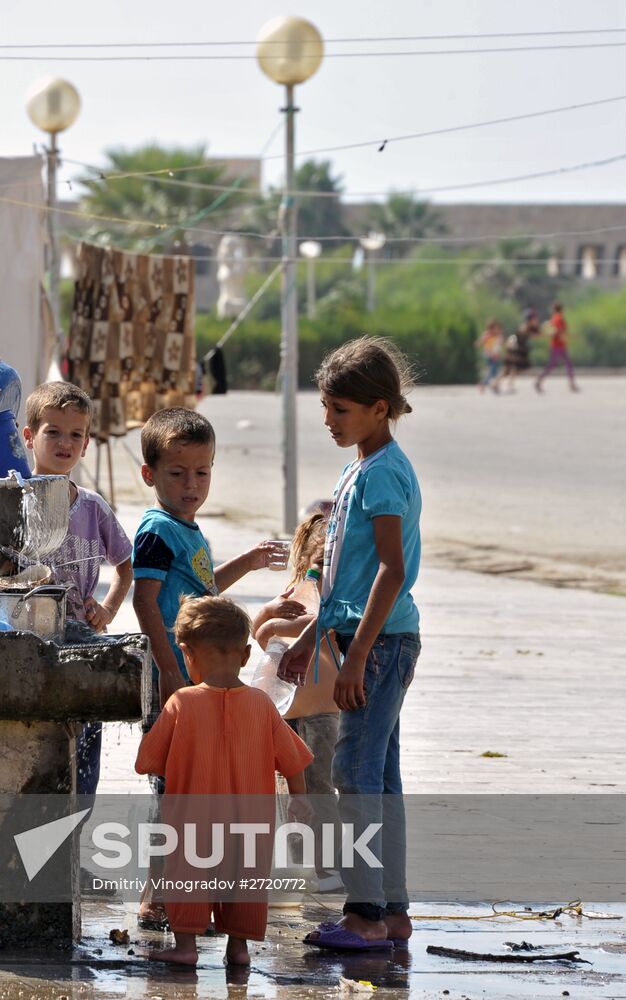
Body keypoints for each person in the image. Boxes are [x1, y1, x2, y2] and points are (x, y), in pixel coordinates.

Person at [130, 406, 299, 929]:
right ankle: (158, 894)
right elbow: (144, 601)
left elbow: (200, 595)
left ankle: (175, 890)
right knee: (175, 791)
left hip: (195, 676)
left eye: (201, 472)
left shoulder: (188, 530)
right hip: (175, 677)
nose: (191, 484)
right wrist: (171, 672)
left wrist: (245, 563)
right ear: (150, 475)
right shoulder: (157, 530)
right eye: (177, 473)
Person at [280, 337, 422, 953]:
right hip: (363, 636)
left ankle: (365, 915)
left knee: (355, 774)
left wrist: (357, 656)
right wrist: (313, 637)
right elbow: (345, 574)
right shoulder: (358, 467)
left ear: (380, 408)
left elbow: (391, 571)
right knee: (380, 778)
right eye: (325, 406)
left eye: (341, 409)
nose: (328, 420)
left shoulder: (384, 472)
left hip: (382, 643)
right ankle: (391, 913)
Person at [134, 596, 314, 966]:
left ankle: (186, 948)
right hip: (251, 820)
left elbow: (146, 761)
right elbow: (293, 759)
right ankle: (239, 949)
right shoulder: (262, 705)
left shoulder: (181, 702)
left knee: (188, 877)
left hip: (193, 821)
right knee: (246, 880)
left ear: (186, 653)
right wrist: (300, 798)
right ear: (246, 655)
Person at [21, 381, 134, 797]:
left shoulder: (92, 506)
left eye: (75, 434)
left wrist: (107, 609)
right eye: (53, 432)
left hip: (80, 636)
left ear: (86, 444)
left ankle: (76, 843)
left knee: (85, 744)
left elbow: (125, 565)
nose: (64, 443)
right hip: (29, 636)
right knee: (41, 741)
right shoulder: (14, 499)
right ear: (29, 436)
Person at [249, 512, 343, 891]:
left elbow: (328, 631)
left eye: (329, 564)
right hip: (284, 712)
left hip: (322, 711)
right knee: (287, 788)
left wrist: (279, 627)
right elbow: (260, 634)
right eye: (317, 564)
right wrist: (270, 615)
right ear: (305, 563)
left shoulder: (336, 601)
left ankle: (330, 866)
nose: (321, 572)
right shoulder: (290, 596)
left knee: (320, 787)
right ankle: (300, 860)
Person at [535, 302, 580, 393]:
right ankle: (539, 381)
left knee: (566, 364)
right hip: (558, 346)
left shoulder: (554, 318)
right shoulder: (558, 319)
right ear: (561, 310)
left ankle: (571, 384)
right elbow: (558, 333)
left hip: (559, 345)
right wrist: (571, 337)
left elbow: (554, 331)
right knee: (555, 365)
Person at [498, 308, 537, 393]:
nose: (535, 320)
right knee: (509, 369)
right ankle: (503, 384)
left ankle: (499, 384)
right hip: (515, 351)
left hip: (517, 351)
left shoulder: (527, 327)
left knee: (510, 369)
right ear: (530, 319)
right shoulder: (525, 327)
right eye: (534, 318)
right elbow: (518, 337)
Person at [475, 319, 503, 395]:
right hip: (489, 356)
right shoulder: (487, 335)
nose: (497, 329)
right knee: (492, 372)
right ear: (491, 328)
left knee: (495, 373)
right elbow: (480, 343)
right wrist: (479, 343)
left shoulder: (497, 335)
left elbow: (498, 345)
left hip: (495, 356)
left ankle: (491, 385)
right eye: (495, 328)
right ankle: (484, 384)